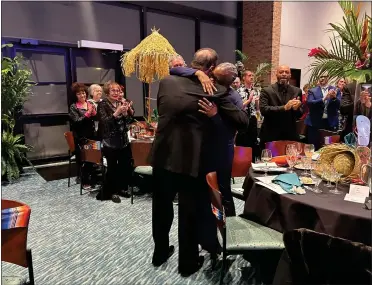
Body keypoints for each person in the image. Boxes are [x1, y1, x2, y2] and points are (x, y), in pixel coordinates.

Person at [150, 48, 249, 276]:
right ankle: (187, 264)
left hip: (162, 155)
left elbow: (174, 68)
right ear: (211, 69)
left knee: (161, 207)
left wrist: (194, 73)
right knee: (188, 212)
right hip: (191, 160)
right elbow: (242, 122)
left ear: (193, 63)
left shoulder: (165, 82)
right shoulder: (214, 89)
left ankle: (160, 252)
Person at [170, 62, 244, 216]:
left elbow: (232, 131)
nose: (212, 80)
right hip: (204, 149)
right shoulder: (207, 87)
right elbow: (173, 69)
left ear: (229, 82)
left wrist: (215, 116)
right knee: (203, 189)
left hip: (222, 149)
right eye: (211, 76)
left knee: (223, 188)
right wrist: (199, 74)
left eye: (216, 79)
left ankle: (229, 225)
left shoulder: (233, 98)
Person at [96, 81, 134, 203]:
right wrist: (117, 113)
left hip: (123, 140)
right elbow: (105, 123)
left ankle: (121, 188)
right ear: (107, 92)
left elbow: (128, 121)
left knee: (125, 166)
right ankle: (111, 192)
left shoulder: (120, 102)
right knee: (112, 168)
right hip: (110, 141)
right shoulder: (102, 105)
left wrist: (127, 112)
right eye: (113, 90)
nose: (116, 92)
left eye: (118, 90)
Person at [259, 65, 303, 147]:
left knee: (291, 159)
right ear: (276, 74)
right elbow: (263, 110)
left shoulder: (297, 91)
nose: (284, 74)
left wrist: (297, 109)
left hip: (290, 133)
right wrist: (284, 108)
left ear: (290, 75)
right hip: (270, 133)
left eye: (286, 72)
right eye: (281, 72)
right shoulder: (267, 90)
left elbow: (299, 115)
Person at [69, 82, 97, 189]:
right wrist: (88, 113)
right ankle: (85, 180)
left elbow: (96, 119)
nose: (82, 95)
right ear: (75, 96)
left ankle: (93, 178)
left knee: (94, 157)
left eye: (84, 93)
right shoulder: (74, 107)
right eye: (79, 94)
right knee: (85, 159)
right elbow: (77, 122)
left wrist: (94, 113)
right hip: (81, 138)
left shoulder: (90, 104)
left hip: (92, 136)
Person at [305, 73, 340, 150]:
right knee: (313, 147)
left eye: (324, 77)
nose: (322, 78)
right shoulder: (312, 91)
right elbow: (310, 103)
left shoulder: (335, 90)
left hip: (329, 123)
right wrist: (323, 99)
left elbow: (339, 105)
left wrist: (334, 98)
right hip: (314, 123)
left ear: (328, 78)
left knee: (328, 147)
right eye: (321, 77)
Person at [236, 70, 260, 159]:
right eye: (249, 75)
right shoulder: (238, 91)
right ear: (244, 78)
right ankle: (242, 160)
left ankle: (252, 161)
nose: (252, 77)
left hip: (253, 119)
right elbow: (238, 107)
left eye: (253, 75)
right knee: (242, 141)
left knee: (253, 141)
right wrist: (249, 100)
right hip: (243, 117)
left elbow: (257, 109)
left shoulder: (256, 91)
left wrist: (257, 103)